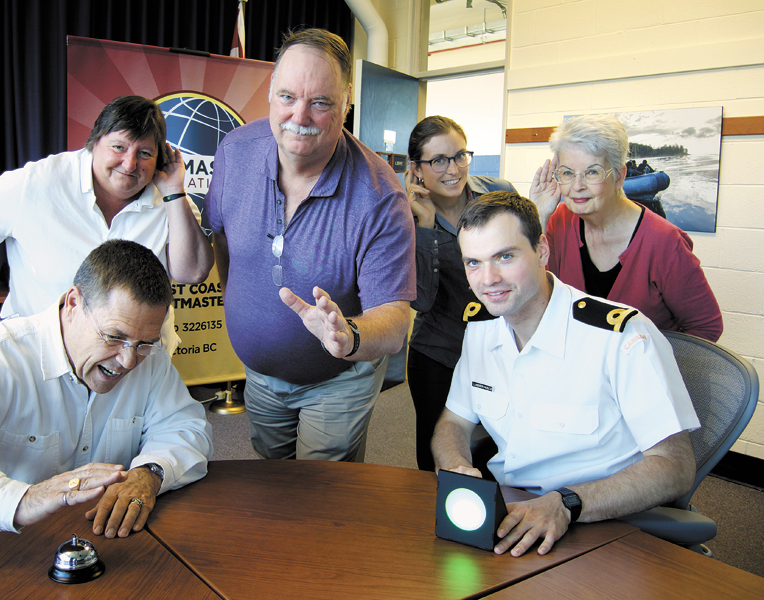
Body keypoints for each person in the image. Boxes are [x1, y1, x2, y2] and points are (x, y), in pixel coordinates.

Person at [0, 240, 213, 536]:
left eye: (144, 343)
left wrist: (148, 472)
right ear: (74, 304)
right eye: (114, 336)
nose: (127, 361)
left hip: (97, 545)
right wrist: (17, 499)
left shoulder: (148, 359)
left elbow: (185, 427)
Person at [431, 191, 699, 558]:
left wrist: (568, 503)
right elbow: (453, 422)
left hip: (604, 523)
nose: (488, 279)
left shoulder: (620, 337)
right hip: (515, 519)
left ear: (541, 250)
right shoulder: (482, 328)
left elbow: (674, 466)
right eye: (473, 263)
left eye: (504, 257)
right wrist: (456, 466)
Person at [205, 28, 415, 462]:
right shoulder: (235, 151)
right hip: (259, 374)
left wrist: (349, 335)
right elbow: (222, 240)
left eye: (320, 103)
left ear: (346, 105)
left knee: (319, 498)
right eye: (287, 97)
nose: (299, 116)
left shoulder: (380, 196)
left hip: (339, 377)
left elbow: (394, 321)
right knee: (271, 481)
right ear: (269, 94)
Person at [0, 95, 214, 353]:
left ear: (160, 157)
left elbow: (192, 273)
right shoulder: (38, 182)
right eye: (118, 147)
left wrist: (174, 193)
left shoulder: (170, 198)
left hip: (138, 364)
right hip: (40, 359)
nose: (130, 164)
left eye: (144, 153)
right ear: (94, 143)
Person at [530, 114, 722, 341]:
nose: (577, 186)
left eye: (592, 172)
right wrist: (538, 216)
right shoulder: (559, 221)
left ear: (619, 176)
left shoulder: (665, 242)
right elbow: (534, 296)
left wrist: (648, 365)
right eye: (567, 173)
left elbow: (706, 329)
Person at [405, 116, 516, 472]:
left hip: (499, 351)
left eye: (459, 156)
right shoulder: (401, 213)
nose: (452, 169)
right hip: (438, 353)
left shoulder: (499, 196)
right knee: (438, 455)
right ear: (416, 169)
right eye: (438, 160)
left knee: (498, 451)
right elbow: (420, 300)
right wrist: (423, 226)